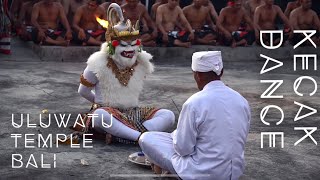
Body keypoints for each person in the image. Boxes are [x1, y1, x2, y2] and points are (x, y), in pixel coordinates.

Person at [139, 51, 251, 180]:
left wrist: (179, 135)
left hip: (203, 174)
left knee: (147, 138)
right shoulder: (242, 100)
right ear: (222, 72)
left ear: (197, 75)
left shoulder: (194, 102)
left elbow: (183, 149)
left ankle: (171, 171)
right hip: (234, 172)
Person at [77, 3, 175, 144]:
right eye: (123, 45)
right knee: (99, 116)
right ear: (111, 46)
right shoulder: (98, 64)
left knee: (168, 115)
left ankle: (125, 134)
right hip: (107, 112)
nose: (130, 49)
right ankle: (139, 137)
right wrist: (103, 103)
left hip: (132, 113)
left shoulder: (141, 62)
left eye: (133, 44)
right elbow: (83, 91)